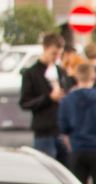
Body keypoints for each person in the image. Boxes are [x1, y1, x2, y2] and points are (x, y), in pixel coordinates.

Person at [19, 32, 70, 163]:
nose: (56, 57)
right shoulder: (31, 73)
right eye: (54, 53)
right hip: (44, 132)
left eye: (59, 54)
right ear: (45, 48)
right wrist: (48, 98)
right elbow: (25, 103)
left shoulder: (61, 71)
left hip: (62, 131)